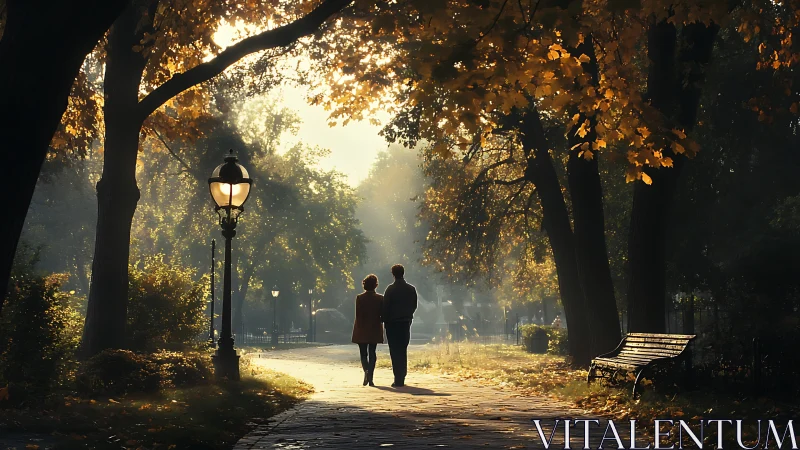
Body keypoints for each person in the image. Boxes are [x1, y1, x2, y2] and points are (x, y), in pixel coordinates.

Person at [382, 264, 417, 387]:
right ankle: (402, 374)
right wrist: (408, 316)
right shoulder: (411, 289)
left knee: (394, 350)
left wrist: (384, 320)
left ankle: (398, 377)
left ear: (393, 274)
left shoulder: (390, 289)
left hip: (392, 323)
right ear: (403, 273)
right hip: (405, 322)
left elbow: (385, 307)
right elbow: (414, 305)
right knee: (403, 349)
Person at [351, 274, 384, 386]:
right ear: (376, 285)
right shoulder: (380, 298)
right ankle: (371, 376)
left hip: (362, 328)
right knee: (372, 352)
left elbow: (358, 314)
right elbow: (382, 314)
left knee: (363, 353)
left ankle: (366, 371)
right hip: (374, 328)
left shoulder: (360, 298)